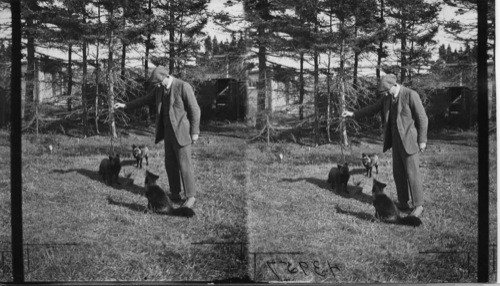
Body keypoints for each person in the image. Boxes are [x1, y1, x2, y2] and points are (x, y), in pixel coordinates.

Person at [114, 66, 201, 208]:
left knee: (185, 165)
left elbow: (195, 109)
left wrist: (194, 132)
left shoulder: (183, 86)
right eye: (157, 85)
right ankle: (174, 193)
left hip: (182, 133)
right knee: (170, 165)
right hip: (168, 134)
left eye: (160, 83)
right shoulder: (159, 89)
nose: (159, 86)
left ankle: (190, 197)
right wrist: (125, 105)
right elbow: (144, 100)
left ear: (166, 77)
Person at [342, 74, 428, 217]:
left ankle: (418, 206)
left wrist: (422, 140)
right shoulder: (387, 98)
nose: (386, 94)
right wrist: (353, 114)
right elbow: (372, 109)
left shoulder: (411, 95)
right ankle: (403, 202)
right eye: (384, 93)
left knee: (413, 174)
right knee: (398, 174)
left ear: (394, 85)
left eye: (387, 91)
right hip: (396, 142)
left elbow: (422, 118)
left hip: (410, 142)